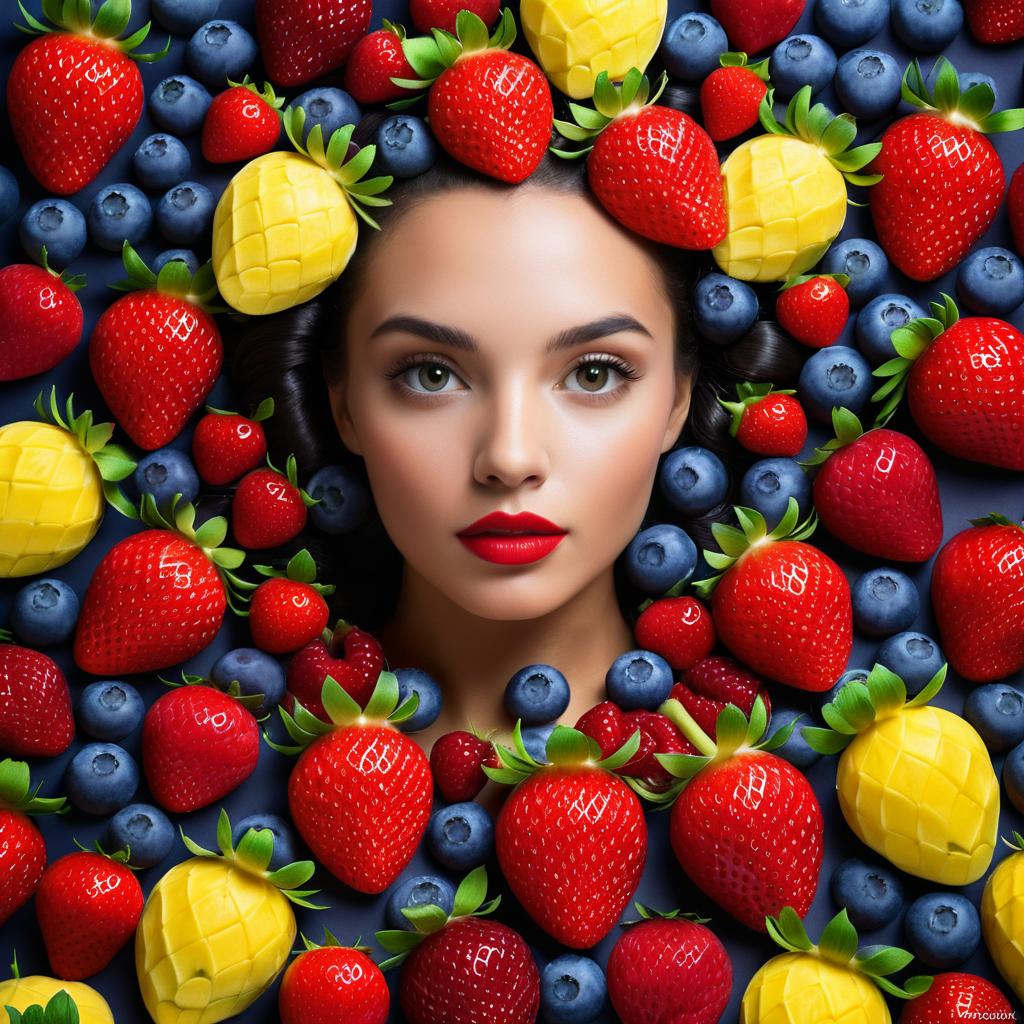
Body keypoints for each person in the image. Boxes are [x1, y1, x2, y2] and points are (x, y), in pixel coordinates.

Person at [230, 119, 801, 752]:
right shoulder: (243, 730)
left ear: (677, 400)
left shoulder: (744, 758)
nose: (510, 458)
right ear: (344, 405)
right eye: (432, 375)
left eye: (592, 373)